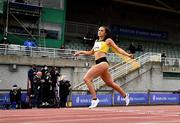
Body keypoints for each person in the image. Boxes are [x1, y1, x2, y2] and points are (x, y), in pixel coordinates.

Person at [74, 26, 133, 108]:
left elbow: (118, 49)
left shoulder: (108, 40)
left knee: (86, 79)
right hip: (99, 64)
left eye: (101, 30)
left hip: (103, 63)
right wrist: (80, 52)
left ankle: (94, 99)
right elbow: (91, 52)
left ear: (105, 33)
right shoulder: (96, 41)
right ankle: (125, 96)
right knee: (110, 83)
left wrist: (128, 55)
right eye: (99, 30)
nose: (99, 32)